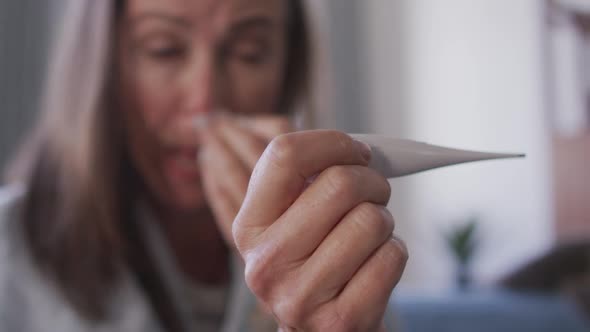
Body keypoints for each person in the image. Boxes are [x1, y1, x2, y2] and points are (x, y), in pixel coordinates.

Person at [0, 0, 408, 331]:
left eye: (249, 53)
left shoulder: (334, 247)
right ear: (103, 64)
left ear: (286, 70)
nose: (206, 103)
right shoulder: (10, 256)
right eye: (165, 49)